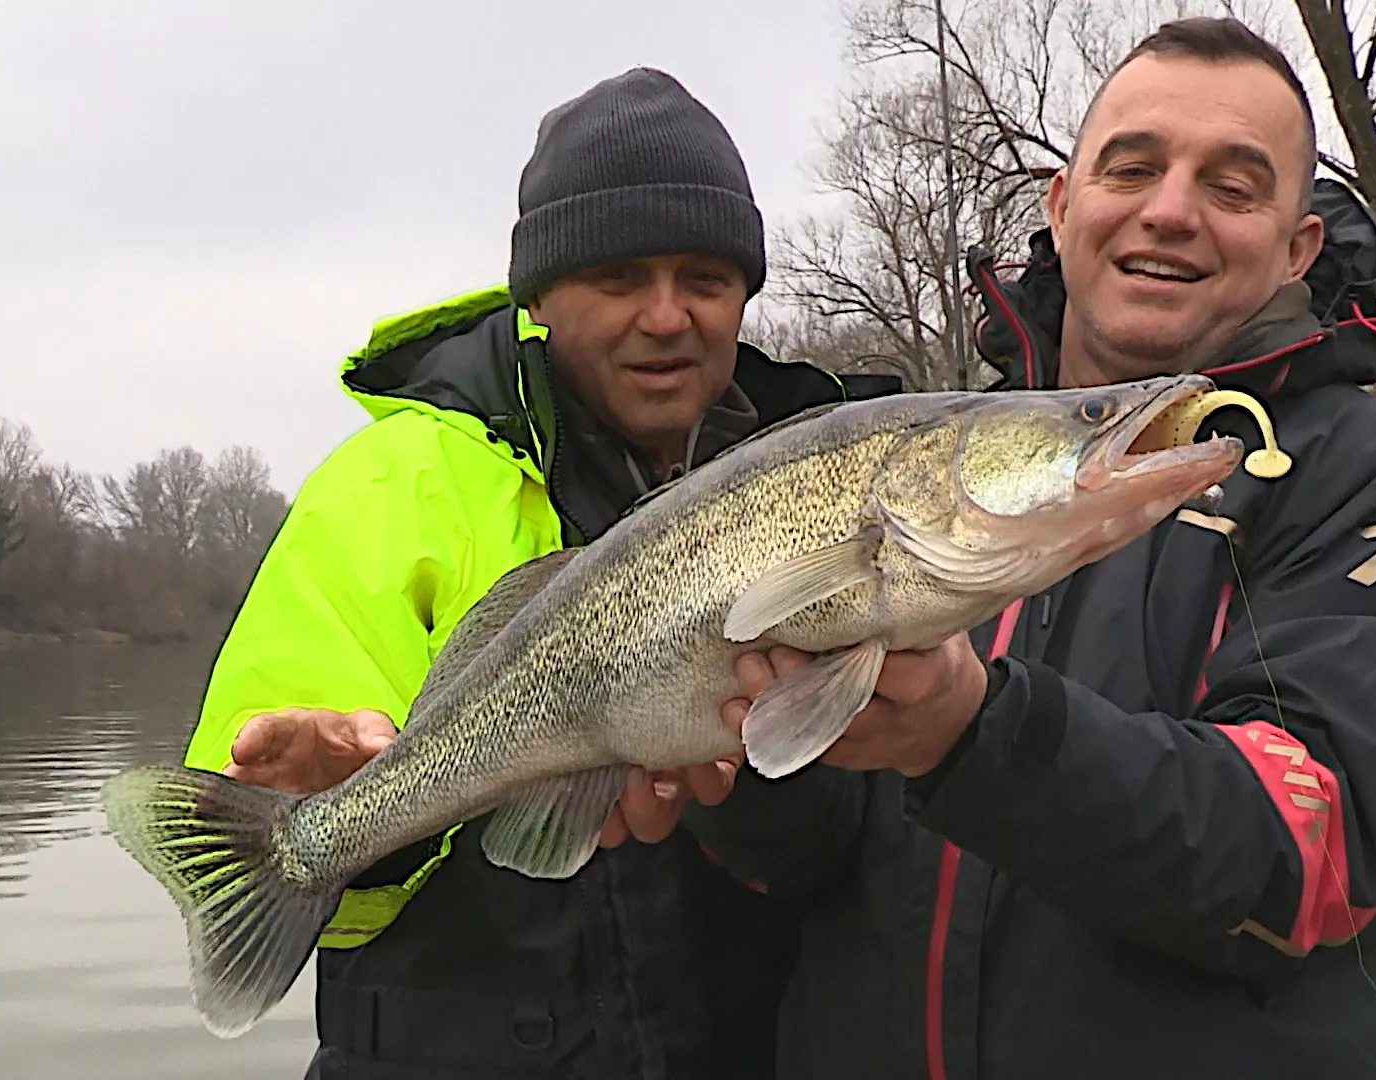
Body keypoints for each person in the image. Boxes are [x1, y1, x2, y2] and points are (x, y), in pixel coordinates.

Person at [680, 18, 1376, 1080]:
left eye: (1234, 186)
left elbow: (1303, 860)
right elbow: (820, 863)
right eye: (1133, 167)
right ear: (1063, 206)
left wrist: (971, 735)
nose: (1170, 210)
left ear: (1298, 249)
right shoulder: (927, 472)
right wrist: (742, 780)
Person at [180, 67, 900, 1080]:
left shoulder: (824, 478)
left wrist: (745, 791)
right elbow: (272, 802)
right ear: (540, 295)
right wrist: (355, 824)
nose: (666, 316)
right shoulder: (396, 484)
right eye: (618, 280)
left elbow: (859, 858)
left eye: (704, 278)